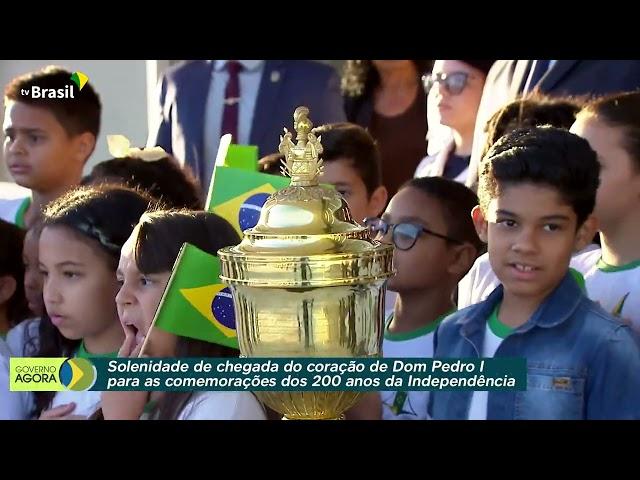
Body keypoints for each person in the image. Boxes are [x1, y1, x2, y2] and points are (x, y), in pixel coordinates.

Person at [429, 126, 640, 420]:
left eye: (551, 227)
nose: (526, 245)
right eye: (509, 223)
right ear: (482, 224)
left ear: (582, 233)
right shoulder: (452, 333)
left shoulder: (609, 347)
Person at [102, 210, 267, 420]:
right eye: (121, 281)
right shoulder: (141, 396)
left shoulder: (224, 402)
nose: (121, 297)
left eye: (144, 280)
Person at [35, 185, 154, 419]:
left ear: (124, 273)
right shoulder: (42, 364)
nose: (50, 294)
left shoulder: (170, 380)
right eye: (45, 273)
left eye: (70, 274)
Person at [147, 60, 346, 190]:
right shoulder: (178, 80)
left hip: (280, 238)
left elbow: (340, 160)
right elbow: (158, 166)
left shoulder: (313, 81)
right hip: (197, 236)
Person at [1, 66, 101, 228]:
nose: (15, 149)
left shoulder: (100, 233)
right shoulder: (3, 215)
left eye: (34, 138)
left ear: (82, 146)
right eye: (10, 136)